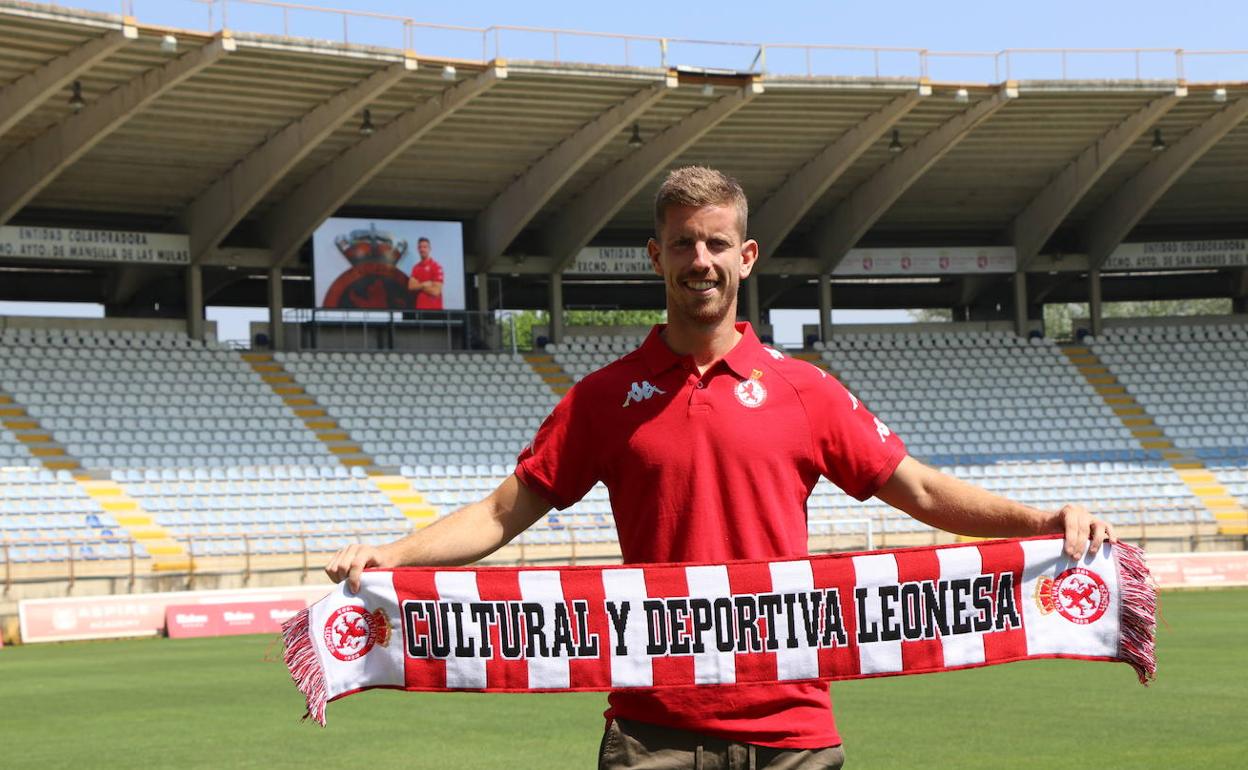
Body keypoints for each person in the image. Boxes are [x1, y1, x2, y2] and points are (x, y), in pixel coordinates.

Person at [326, 166, 1115, 769]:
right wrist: (391, 555)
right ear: (655, 255)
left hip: (793, 731)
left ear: (744, 256)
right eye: (681, 242)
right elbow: (502, 514)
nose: (697, 259)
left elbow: (922, 490)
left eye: (713, 243)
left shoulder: (807, 390)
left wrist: (1040, 522)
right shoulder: (603, 399)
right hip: (652, 734)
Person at [407, 236, 444, 310]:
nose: (422, 249)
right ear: (418, 249)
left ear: (429, 249)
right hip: (419, 310)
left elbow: (436, 291)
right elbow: (410, 286)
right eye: (420, 247)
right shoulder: (416, 268)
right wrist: (424, 284)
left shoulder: (436, 267)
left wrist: (418, 285)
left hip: (435, 311)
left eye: (425, 247)